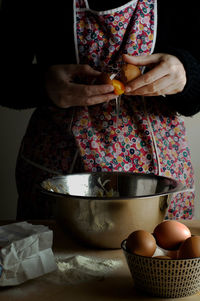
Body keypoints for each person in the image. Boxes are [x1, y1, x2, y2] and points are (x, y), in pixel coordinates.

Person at [0, 0, 200, 220]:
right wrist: (42, 85)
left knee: (159, 251)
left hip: (158, 177)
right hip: (59, 173)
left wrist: (186, 74)